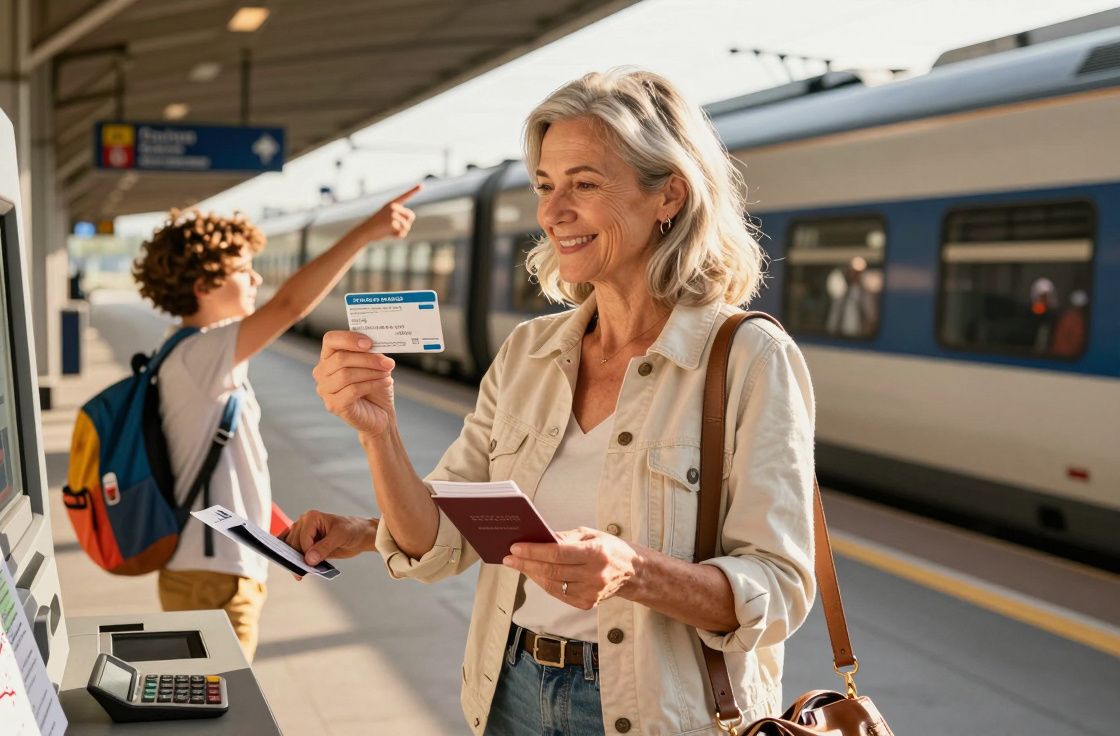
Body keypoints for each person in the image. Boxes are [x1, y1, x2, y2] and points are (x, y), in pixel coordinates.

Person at [287, 69, 817, 735]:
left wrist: (633, 572)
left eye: (584, 185)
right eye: (544, 186)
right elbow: (436, 538)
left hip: (658, 715)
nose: (551, 212)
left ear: (669, 195)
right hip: (508, 690)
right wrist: (377, 430)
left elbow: (781, 589)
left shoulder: (749, 358)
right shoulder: (527, 354)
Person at [129, 184, 420, 660]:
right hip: (213, 577)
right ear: (204, 286)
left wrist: (272, 530)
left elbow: (220, 465)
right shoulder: (202, 354)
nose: (257, 280)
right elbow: (290, 306)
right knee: (222, 703)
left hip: (213, 568)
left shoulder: (187, 354)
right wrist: (365, 232)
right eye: (243, 270)